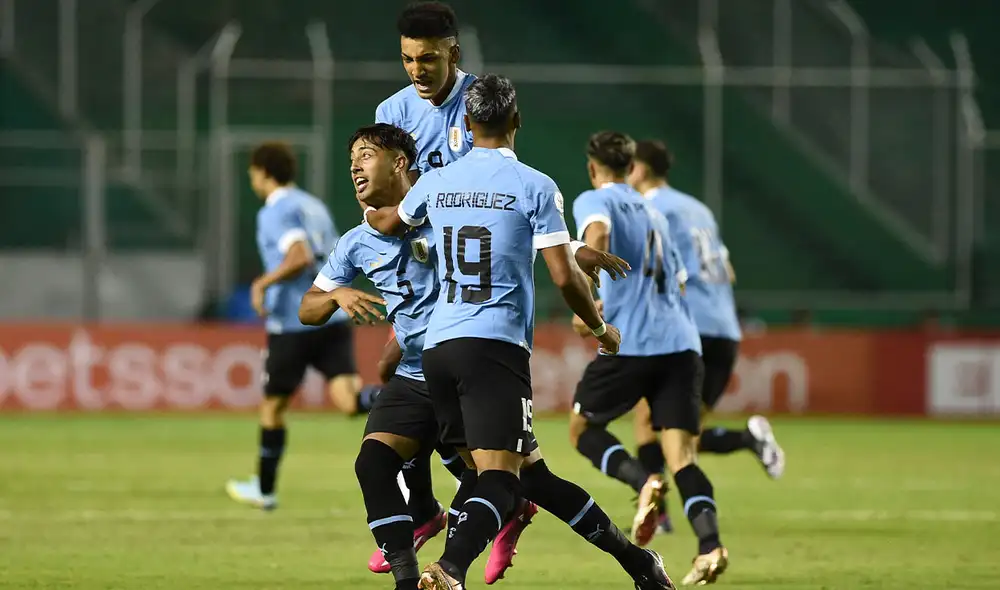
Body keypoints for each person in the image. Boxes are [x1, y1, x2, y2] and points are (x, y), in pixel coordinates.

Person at [366, 75, 673, 590]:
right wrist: (600, 328)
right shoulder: (535, 186)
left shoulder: (436, 184)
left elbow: (393, 222)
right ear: (517, 121)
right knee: (502, 481)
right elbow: (561, 274)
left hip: (440, 348)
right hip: (494, 350)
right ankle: (450, 569)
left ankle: (640, 565)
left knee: (532, 479)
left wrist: (371, 207)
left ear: (465, 125)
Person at [568, 131, 728, 585]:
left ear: (593, 167)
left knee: (582, 430)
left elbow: (596, 230)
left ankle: (643, 482)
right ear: (630, 165)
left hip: (634, 344)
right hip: (682, 344)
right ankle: (710, 547)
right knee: (682, 455)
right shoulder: (655, 212)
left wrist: (590, 280)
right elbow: (676, 284)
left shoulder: (594, 198)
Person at [628, 139, 784, 500]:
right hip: (725, 331)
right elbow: (726, 270)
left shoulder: (647, 208)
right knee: (683, 434)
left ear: (641, 169)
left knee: (647, 424)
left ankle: (657, 514)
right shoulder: (699, 210)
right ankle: (748, 439)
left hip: (685, 328)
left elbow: (653, 269)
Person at [225, 142, 367, 511]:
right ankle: (416, 400)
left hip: (293, 320)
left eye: (252, 174)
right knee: (350, 401)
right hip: (331, 315)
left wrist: (262, 283)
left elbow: (299, 255)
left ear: (262, 173)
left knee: (272, 408)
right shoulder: (313, 205)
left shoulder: (275, 211)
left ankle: (265, 490)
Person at [377, 1, 475, 181]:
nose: (417, 71)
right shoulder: (392, 111)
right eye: (408, 60)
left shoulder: (483, 102)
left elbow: (491, 179)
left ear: (454, 55)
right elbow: (403, 189)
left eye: (428, 59)